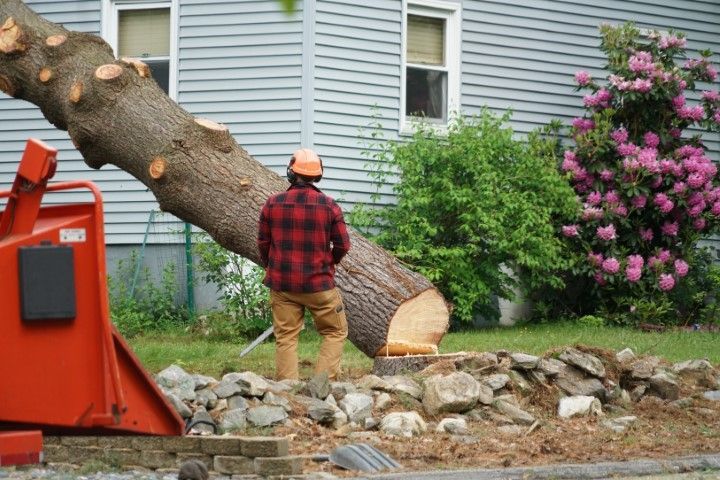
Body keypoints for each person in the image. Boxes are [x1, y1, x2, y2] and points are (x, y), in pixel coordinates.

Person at [257, 148, 351, 380]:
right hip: (319, 285)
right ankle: (322, 385)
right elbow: (343, 245)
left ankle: (287, 390)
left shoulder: (272, 203)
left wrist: (273, 267)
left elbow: (262, 243)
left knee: (286, 336)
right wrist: (330, 262)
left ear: (291, 172)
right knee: (335, 331)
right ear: (318, 176)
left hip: (282, 285)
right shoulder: (329, 206)